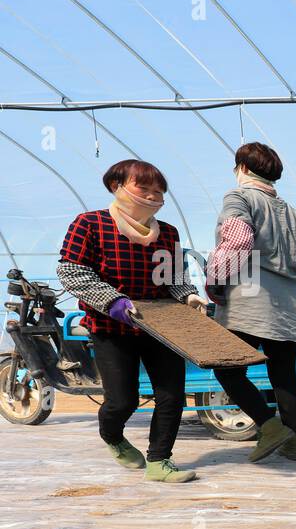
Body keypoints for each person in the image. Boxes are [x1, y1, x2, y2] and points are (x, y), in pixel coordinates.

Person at [56, 159, 203, 483]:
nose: (152, 196)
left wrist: (188, 296)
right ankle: (112, 435)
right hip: (112, 326)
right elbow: (72, 270)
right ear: (116, 186)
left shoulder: (167, 234)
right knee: (123, 399)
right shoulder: (90, 224)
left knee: (172, 394)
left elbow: (174, 276)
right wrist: (113, 302)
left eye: (158, 191)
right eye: (144, 188)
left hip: (161, 324)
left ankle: (159, 460)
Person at [206, 142, 296, 462]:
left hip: (251, 302)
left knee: (227, 371)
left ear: (242, 168)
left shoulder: (238, 197)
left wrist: (215, 281)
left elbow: (239, 240)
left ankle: (269, 427)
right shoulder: (292, 212)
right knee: (283, 375)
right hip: (291, 306)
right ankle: (294, 442)